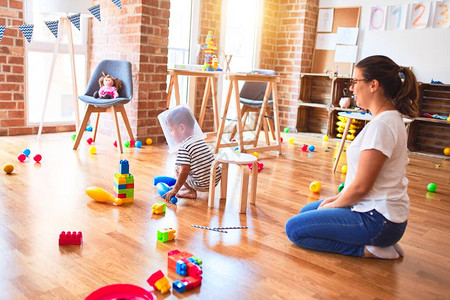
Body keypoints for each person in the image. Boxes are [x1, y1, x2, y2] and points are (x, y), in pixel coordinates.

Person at [285, 55, 419, 259]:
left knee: (294, 229)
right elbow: (360, 183)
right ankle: (380, 242)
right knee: (306, 212)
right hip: (379, 215)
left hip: (378, 220)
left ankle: (370, 249)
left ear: (373, 85)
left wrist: (335, 204)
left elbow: (361, 187)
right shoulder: (388, 119)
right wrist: (337, 198)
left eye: (355, 82)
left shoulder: (382, 126)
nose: (352, 89)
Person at [163, 106, 221, 200]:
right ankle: (189, 188)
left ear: (182, 128)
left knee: (178, 168)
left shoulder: (184, 147)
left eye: (171, 130)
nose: (171, 134)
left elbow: (184, 170)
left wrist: (175, 189)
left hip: (202, 184)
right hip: (215, 180)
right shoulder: (199, 140)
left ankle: (191, 191)